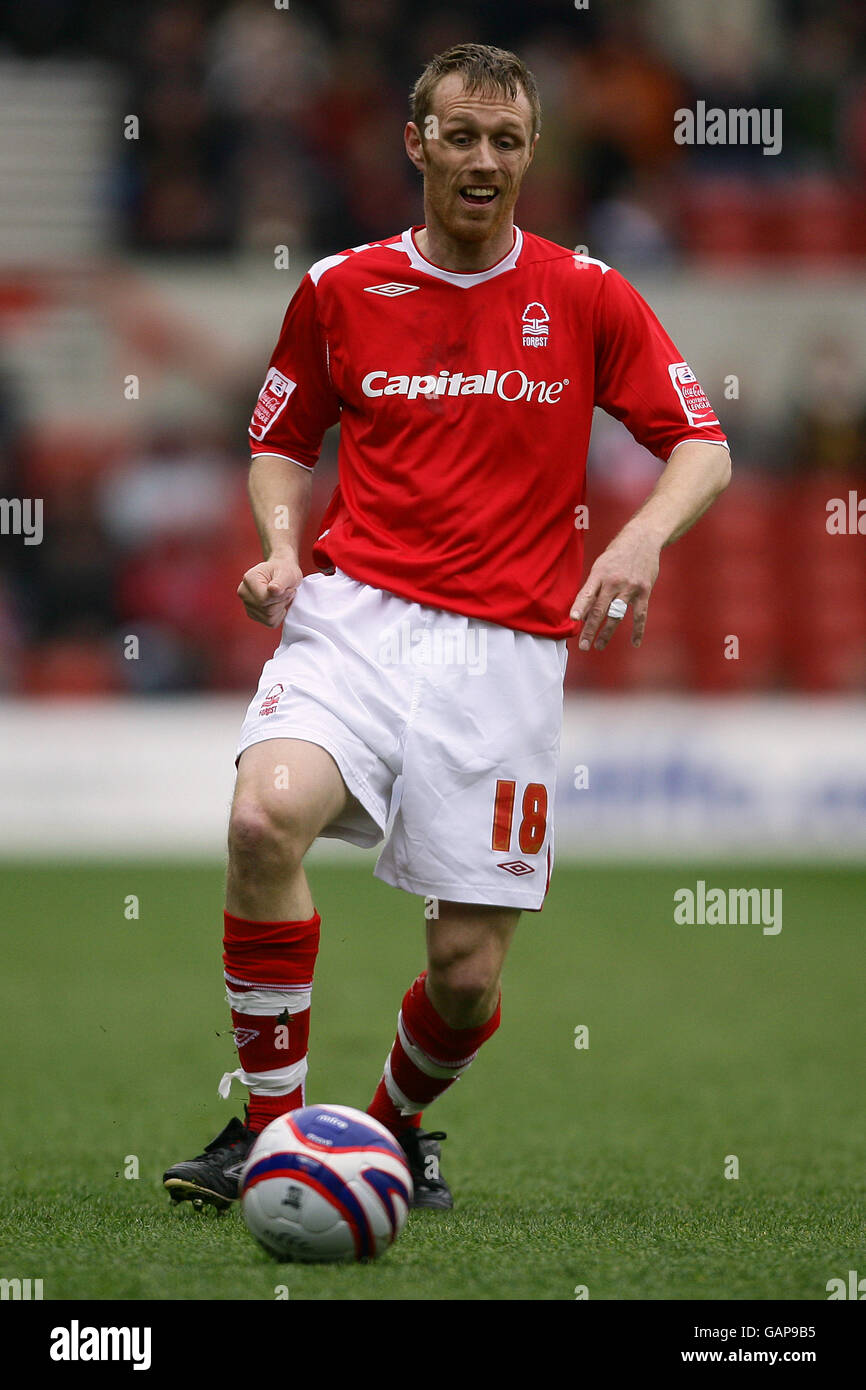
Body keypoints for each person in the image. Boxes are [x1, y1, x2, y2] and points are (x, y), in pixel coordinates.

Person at [164, 42, 730, 1213]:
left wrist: (635, 541)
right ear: (414, 144)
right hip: (353, 620)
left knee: (464, 977)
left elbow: (701, 446)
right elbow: (279, 442)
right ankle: (268, 1139)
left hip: (505, 656)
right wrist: (279, 543)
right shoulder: (338, 286)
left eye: (507, 140)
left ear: (532, 153)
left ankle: (384, 1131)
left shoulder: (585, 293)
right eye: (460, 136)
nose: (484, 160)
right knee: (263, 818)